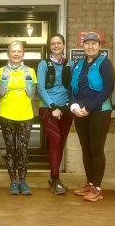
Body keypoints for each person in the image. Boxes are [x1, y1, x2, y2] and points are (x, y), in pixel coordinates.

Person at [70, 32, 115, 202]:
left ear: (99, 46)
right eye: (87, 43)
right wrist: (73, 106)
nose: (90, 46)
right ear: (83, 46)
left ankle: (97, 188)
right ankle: (89, 183)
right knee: (86, 148)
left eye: (94, 44)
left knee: (96, 149)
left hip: (99, 111)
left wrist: (88, 107)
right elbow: (71, 88)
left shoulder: (105, 63)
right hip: (80, 112)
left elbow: (108, 89)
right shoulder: (78, 64)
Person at [0, 40, 37, 195]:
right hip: (6, 116)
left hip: (25, 115)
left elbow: (32, 94)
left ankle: (23, 182)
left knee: (23, 149)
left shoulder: (30, 71)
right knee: (11, 149)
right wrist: (1, 112)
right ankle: (13, 182)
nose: (16, 54)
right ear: (8, 54)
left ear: (23, 53)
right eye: (13, 51)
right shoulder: (0, 71)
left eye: (19, 51)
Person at [37, 33, 74, 195]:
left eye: (59, 43)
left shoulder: (71, 64)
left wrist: (68, 105)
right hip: (49, 108)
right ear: (50, 47)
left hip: (66, 109)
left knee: (61, 143)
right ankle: (55, 178)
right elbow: (40, 88)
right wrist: (53, 107)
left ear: (64, 45)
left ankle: (54, 179)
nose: (56, 46)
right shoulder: (43, 64)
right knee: (56, 142)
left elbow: (73, 87)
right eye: (53, 44)